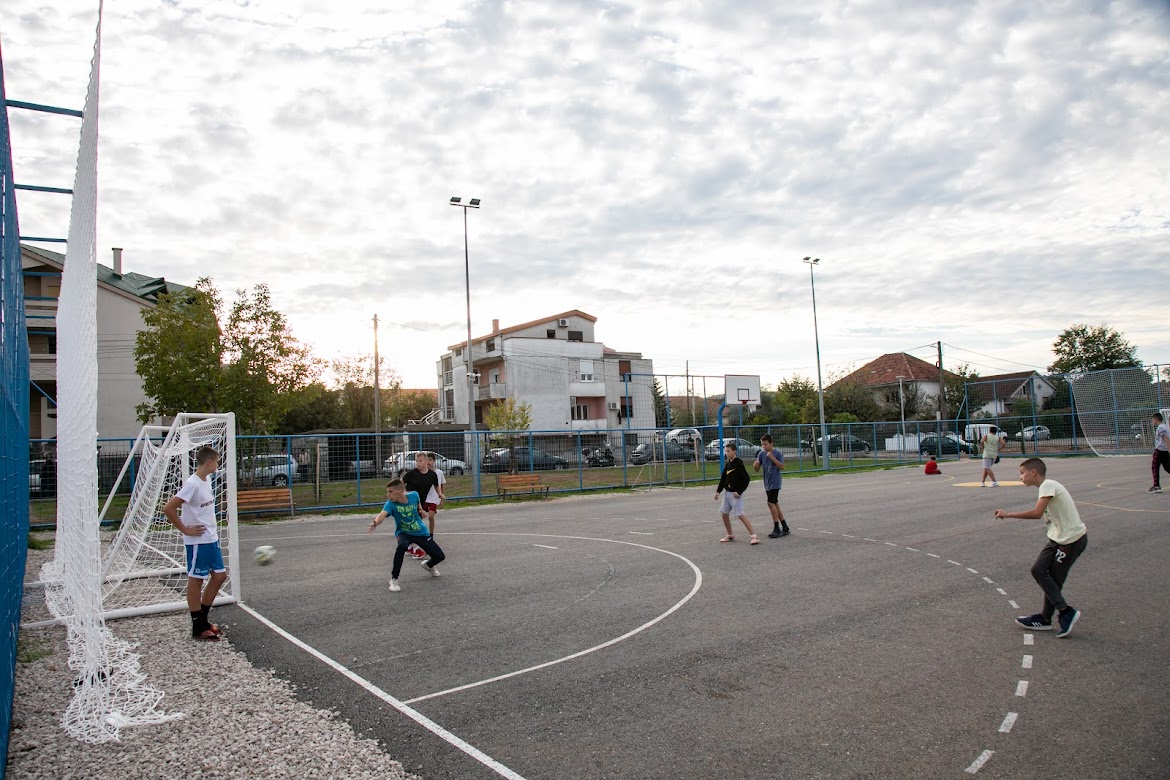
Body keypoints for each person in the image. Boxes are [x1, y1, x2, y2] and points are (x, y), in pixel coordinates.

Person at [994, 458, 1087, 638]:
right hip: (1057, 538)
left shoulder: (1048, 485)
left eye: (1022, 473)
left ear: (1033, 472)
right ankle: (1047, 618)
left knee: (1054, 579)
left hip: (1072, 540)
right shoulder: (1045, 488)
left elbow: (1037, 513)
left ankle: (1063, 613)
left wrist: (1008, 514)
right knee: (1038, 570)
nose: (1021, 477)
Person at [162, 445, 227, 641]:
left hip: (211, 538)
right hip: (198, 542)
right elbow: (169, 508)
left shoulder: (206, 481)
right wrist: (186, 530)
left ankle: (204, 620)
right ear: (209, 462)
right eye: (216, 461)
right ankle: (197, 625)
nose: (218, 464)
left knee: (220, 576)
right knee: (196, 579)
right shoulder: (192, 484)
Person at [367, 478, 445, 592]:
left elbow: (418, 506)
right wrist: (375, 523)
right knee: (402, 546)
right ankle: (394, 579)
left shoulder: (414, 495)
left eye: (390, 492)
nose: (387, 494)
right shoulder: (390, 504)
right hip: (404, 532)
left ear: (399, 491)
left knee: (440, 556)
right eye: (387, 492)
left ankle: (428, 565)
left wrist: (421, 511)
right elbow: (382, 515)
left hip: (420, 531)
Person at [715, 441, 759, 545]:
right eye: (725, 451)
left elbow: (746, 479)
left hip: (736, 494)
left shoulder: (738, 463)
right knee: (724, 514)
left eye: (729, 451)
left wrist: (739, 491)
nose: (727, 453)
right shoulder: (728, 464)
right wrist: (718, 491)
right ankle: (730, 534)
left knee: (740, 515)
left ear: (734, 451)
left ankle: (754, 536)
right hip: (727, 494)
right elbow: (723, 478)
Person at [402, 452, 440, 559]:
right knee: (415, 525)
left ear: (426, 461)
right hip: (409, 502)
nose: (418, 463)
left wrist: (440, 494)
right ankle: (416, 549)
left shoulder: (432, 475)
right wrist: (404, 493)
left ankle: (410, 546)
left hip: (421, 503)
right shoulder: (412, 474)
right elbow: (402, 482)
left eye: (420, 461)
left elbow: (437, 485)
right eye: (417, 461)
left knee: (414, 524)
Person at [753, 434, 790, 538]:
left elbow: (782, 466)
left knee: (770, 503)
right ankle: (785, 526)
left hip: (775, 482)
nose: (764, 447)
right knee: (775, 504)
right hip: (767, 483)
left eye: (765, 444)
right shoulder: (761, 454)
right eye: (762, 445)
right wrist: (755, 466)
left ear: (771, 443)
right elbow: (757, 469)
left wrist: (772, 458)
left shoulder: (777, 454)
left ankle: (776, 528)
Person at [424, 452, 446, 534]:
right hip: (425, 498)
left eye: (430, 460)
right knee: (419, 517)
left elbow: (442, 485)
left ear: (434, 461)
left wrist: (441, 499)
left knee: (431, 516)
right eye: (427, 460)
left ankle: (431, 534)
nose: (428, 462)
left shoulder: (439, 473)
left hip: (434, 498)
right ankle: (420, 534)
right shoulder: (424, 473)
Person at [1149, 412, 1170, 493]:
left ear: (1156, 419)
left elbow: (1166, 439)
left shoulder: (1161, 428)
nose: (1152, 421)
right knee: (1167, 467)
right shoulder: (1165, 426)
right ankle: (1156, 486)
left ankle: (1156, 486)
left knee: (1154, 467)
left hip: (1160, 450)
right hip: (1163, 450)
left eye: (1153, 420)